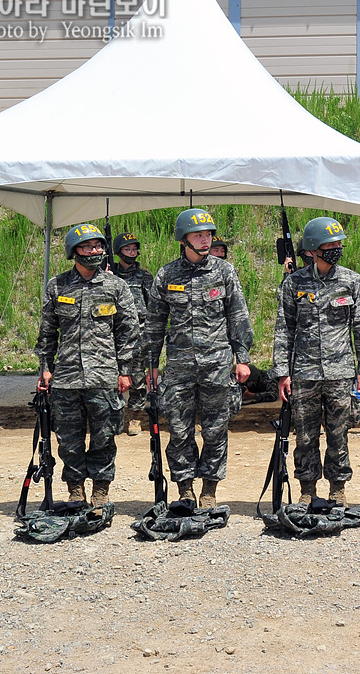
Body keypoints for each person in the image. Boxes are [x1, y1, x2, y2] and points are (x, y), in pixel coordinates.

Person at [143, 208, 254, 507]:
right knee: (179, 431)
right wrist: (151, 365)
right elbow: (154, 324)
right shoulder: (167, 275)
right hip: (179, 368)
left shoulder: (224, 272)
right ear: (184, 240)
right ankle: (185, 489)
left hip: (217, 366)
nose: (205, 241)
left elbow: (238, 316)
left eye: (208, 235)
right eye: (198, 235)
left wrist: (241, 357)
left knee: (216, 429)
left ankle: (209, 490)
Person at [273, 216, 360, 506]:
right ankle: (307, 490)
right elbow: (284, 328)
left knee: (339, 434)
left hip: (341, 373)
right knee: (304, 436)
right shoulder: (294, 283)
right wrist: (282, 372)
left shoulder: (352, 281)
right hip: (303, 373)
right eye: (330, 244)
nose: (337, 249)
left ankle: (337, 488)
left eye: (339, 244)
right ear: (314, 248)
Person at [35, 224, 139, 509]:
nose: (94, 251)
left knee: (104, 438)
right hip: (66, 379)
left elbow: (128, 331)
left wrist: (125, 370)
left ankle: (101, 490)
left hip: (104, 377)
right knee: (69, 440)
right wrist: (45, 368)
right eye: (87, 247)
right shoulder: (57, 286)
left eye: (98, 246)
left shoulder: (116, 286)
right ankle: (75, 490)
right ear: (73, 252)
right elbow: (47, 333)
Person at [111, 232, 153, 436]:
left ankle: (135, 417)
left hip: (138, 333)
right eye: (127, 249)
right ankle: (113, 415)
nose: (132, 253)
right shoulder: (109, 275)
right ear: (118, 252)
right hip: (112, 332)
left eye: (134, 249)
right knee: (112, 376)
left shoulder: (144, 276)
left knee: (136, 376)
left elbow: (153, 307)